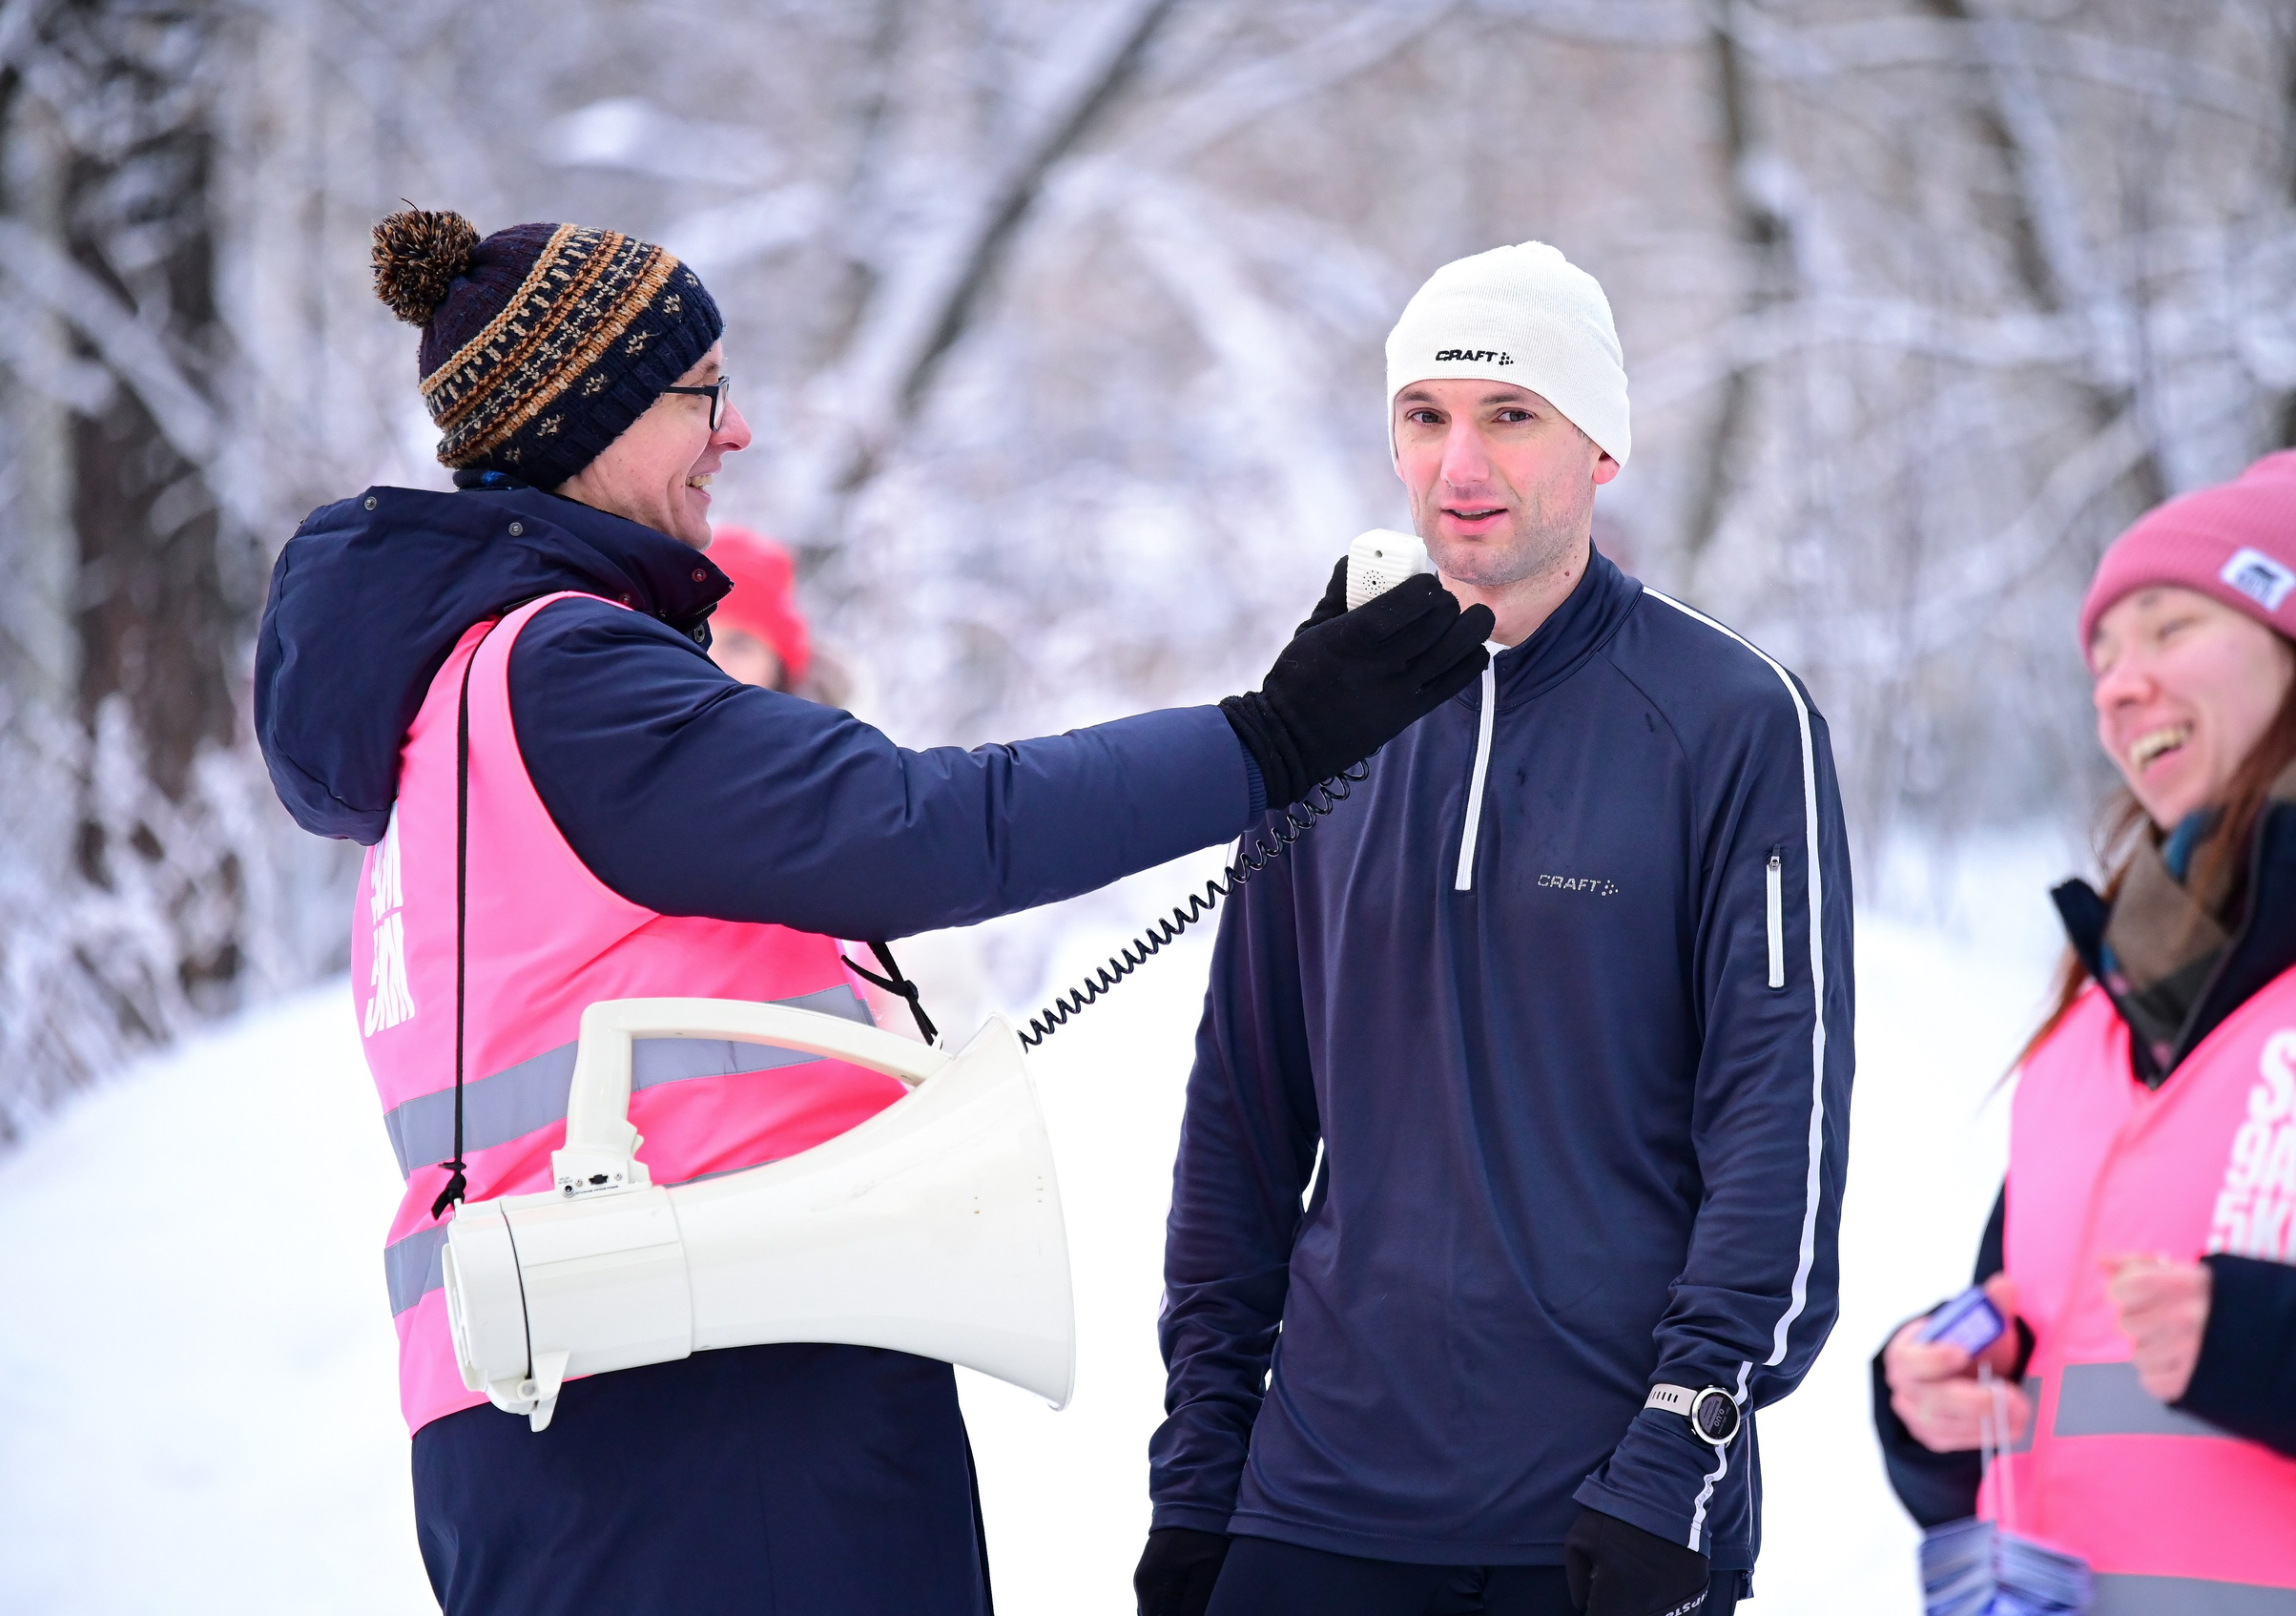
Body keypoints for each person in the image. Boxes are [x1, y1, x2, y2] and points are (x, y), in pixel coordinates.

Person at [252, 209, 1494, 1616]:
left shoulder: (442, 728)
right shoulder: (566, 677)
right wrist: (1276, 736)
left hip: (568, 1398)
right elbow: (927, 826)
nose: (737, 433)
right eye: (702, 392)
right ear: (586, 415)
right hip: (710, 1392)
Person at [1133, 242, 1856, 1616]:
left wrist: (1678, 1447)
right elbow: (1242, 1118)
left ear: (1600, 450)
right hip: (1314, 1501)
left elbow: (1780, 1131)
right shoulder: (1322, 716)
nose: (1460, 463)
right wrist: (1198, 1467)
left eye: (1510, 415)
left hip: (1602, 1517)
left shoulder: (1732, 717)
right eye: (1426, 416)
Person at [1874, 444, 2296, 1610]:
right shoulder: (2096, 1012)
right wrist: (1935, 1406)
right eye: (2102, 654)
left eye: (2169, 628)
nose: (2117, 684)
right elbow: (2039, 1354)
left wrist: (2278, 1348)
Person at [702, 524, 857, 706]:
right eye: (691, 640)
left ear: (778, 667)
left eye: (737, 645)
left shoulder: (827, 732)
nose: (710, 663)